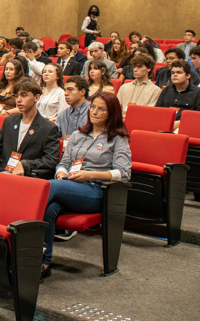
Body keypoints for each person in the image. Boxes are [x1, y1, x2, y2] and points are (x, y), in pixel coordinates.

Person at [42, 92, 131, 279]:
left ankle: (19, 242)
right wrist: (61, 174)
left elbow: (123, 173)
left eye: (101, 109)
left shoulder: (118, 138)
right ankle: (43, 261)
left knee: (48, 187)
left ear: (111, 113)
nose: (94, 112)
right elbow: (64, 163)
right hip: (70, 186)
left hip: (97, 191)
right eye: (93, 107)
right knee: (49, 208)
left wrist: (89, 174)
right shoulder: (78, 134)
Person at [0, 78, 60, 177]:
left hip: (26, 177)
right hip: (2, 172)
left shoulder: (48, 128)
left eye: (24, 95)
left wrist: (25, 164)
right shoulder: (9, 121)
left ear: (36, 98)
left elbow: (51, 160)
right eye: (17, 96)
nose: (18, 100)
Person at [156, 59, 200, 131]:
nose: (175, 75)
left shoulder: (199, 93)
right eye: (173, 73)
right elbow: (158, 111)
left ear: (188, 75)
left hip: (188, 128)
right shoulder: (166, 90)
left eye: (179, 73)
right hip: (164, 126)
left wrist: (174, 124)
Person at [55, 76, 91, 141]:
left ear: (82, 92)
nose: (65, 93)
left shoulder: (93, 112)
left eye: (70, 89)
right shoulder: (63, 114)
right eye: (65, 90)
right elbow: (52, 136)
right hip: (66, 150)